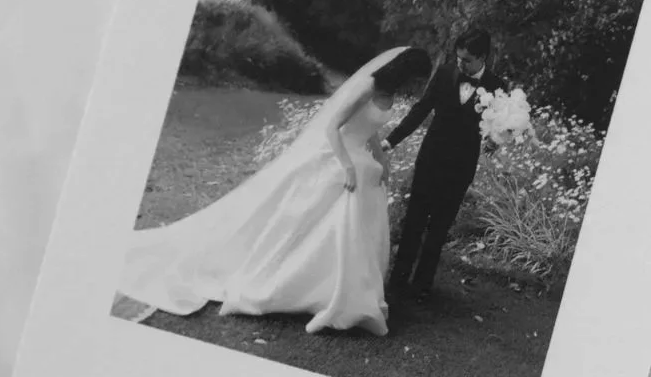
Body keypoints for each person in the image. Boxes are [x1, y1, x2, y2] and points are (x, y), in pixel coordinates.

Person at [119, 44, 432, 335]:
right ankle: (310, 288)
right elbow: (332, 126)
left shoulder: (390, 93)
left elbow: (370, 129)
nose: (415, 86)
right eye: (415, 79)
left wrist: (381, 159)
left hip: (363, 161)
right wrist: (347, 165)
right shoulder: (369, 86)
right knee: (328, 215)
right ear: (404, 71)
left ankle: (352, 291)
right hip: (339, 156)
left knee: (361, 205)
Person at [383, 27, 496, 300]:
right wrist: (391, 141)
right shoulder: (445, 73)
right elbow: (420, 109)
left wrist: (496, 140)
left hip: (461, 167)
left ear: (483, 57)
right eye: (458, 58)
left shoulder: (497, 87)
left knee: (440, 227)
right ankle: (398, 280)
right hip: (430, 159)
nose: (461, 64)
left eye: (467, 60)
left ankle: (422, 285)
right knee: (414, 222)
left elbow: (498, 126)